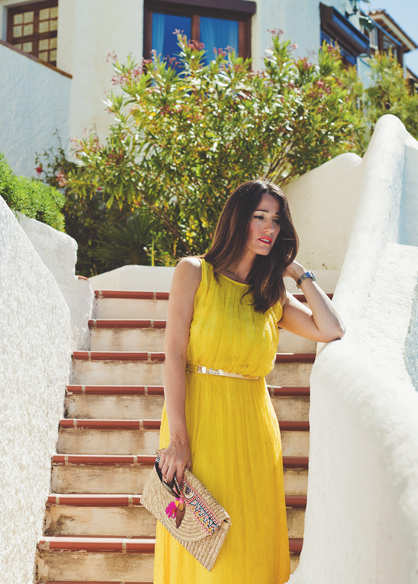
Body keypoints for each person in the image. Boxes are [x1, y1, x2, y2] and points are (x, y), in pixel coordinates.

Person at [153, 179, 345, 583]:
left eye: (276, 220)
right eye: (260, 217)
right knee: (203, 546)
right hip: (199, 424)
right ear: (238, 219)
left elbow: (331, 329)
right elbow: (173, 355)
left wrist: (299, 272)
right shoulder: (194, 273)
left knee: (249, 546)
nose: (269, 228)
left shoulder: (270, 294)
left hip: (254, 430)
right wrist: (179, 439)